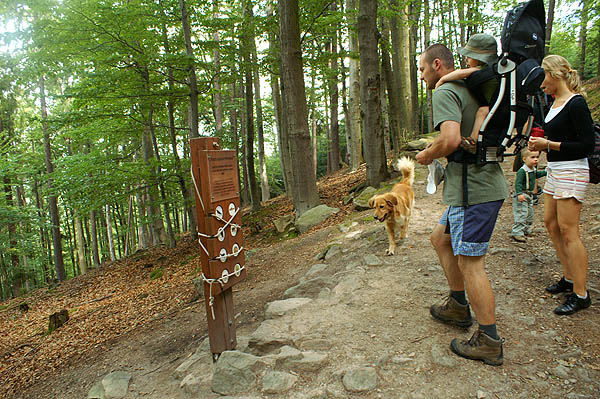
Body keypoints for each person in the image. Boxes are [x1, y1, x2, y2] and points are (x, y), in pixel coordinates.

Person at [416, 44, 509, 366]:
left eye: (422, 68)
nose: (421, 74)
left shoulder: (445, 91)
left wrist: (428, 153)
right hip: (470, 188)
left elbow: (452, 140)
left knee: (471, 262)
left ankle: (489, 340)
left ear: (437, 64)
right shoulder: (470, 89)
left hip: (475, 191)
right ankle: (457, 306)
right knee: (440, 238)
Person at [528, 54, 595, 315]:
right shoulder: (554, 102)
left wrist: (550, 145)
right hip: (555, 169)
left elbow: (586, 144)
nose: (540, 83)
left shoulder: (576, 104)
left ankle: (581, 293)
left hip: (573, 169)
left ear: (555, 74)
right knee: (550, 222)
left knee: (569, 230)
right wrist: (540, 144)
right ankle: (568, 277)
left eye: (542, 77)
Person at [435, 34, 499, 154]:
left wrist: (442, 80)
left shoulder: (483, 70)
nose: (466, 60)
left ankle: (473, 141)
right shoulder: (495, 70)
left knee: (482, 111)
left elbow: (460, 73)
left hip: (492, 108)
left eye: (469, 57)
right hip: (494, 106)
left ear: (480, 58)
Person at [510, 149, 546, 242]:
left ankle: (526, 229)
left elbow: (537, 174)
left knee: (529, 214)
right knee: (522, 213)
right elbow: (518, 183)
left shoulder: (532, 170)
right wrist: (519, 193)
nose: (536, 159)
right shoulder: (522, 171)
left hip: (529, 195)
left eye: (537, 157)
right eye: (532, 157)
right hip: (522, 194)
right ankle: (517, 232)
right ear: (524, 159)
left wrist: (546, 172)